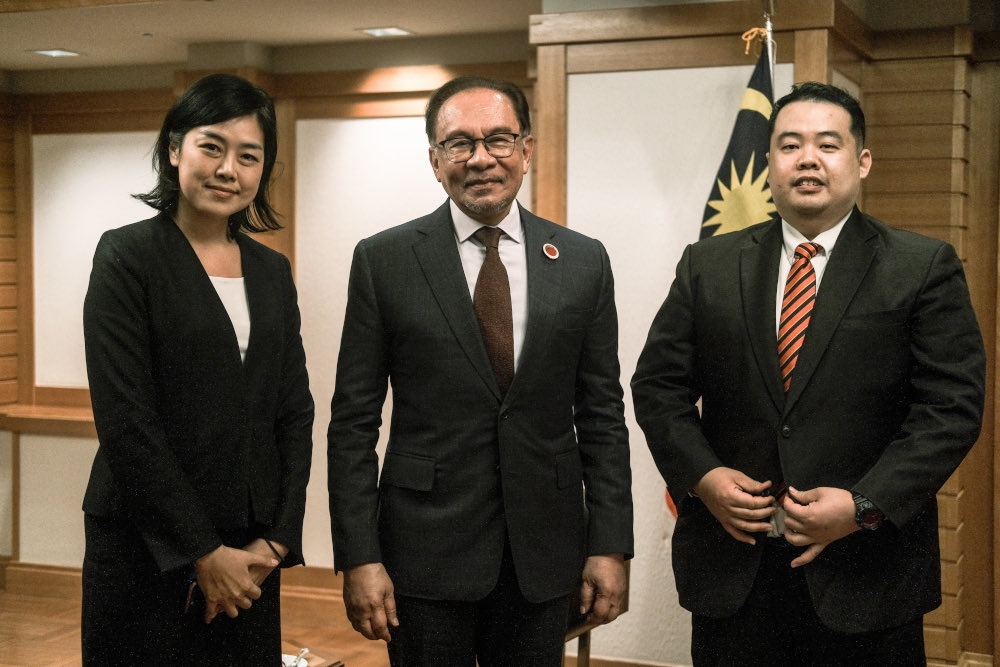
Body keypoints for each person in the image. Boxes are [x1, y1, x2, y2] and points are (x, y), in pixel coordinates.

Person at [631, 81, 985, 665]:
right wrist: (704, 477)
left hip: (867, 575)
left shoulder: (921, 267)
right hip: (734, 569)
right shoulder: (708, 265)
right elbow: (658, 387)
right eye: (790, 145)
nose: (808, 160)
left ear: (861, 160)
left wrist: (864, 504)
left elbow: (951, 409)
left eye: (828, 144)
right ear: (769, 161)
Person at [327, 75, 634, 666]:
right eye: (459, 143)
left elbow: (601, 415)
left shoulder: (581, 260)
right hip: (422, 552)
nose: (481, 158)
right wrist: (360, 556)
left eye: (499, 139)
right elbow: (353, 424)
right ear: (435, 161)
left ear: (526, 150)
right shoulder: (384, 261)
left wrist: (610, 545)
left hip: (542, 553)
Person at [81, 73, 314, 665]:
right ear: (173, 149)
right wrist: (203, 552)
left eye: (248, 156)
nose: (227, 169)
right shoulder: (127, 256)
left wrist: (279, 539)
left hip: (252, 550)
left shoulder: (270, 270)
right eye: (212, 146)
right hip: (147, 542)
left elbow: (293, 410)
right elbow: (126, 419)